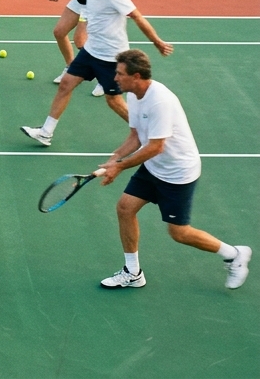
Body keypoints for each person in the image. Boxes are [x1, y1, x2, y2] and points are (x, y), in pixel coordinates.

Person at [95, 50, 250, 290]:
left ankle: (234, 254)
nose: (115, 78)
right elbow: (136, 136)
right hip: (154, 168)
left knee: (179, 233)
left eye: (120, 73)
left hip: (178, 173)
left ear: (136, 76)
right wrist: (115, 157)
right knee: (125, 208)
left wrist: (121, 167)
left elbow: (156, 146)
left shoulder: (159, 100)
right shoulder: (135, 96)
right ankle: (133, 272)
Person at [21, 0, 172, 147]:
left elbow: (137, 16)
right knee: (66, 84)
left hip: (110, 57)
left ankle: (149, 136)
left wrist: (157, 41)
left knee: (114, 101)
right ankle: (45, 132)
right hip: (91, 51)